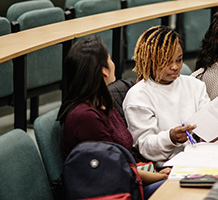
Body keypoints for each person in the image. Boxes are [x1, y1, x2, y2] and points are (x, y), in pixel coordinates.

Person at [56, 36, 170, 200]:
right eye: (109, 58)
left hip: (130, 178)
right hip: (114, 190)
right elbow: (116, 167)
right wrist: (160, 177)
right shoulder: (85, 117)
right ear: (104, 71)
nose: (113, 62)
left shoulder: (102, 102)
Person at [123, 25, 218, 168]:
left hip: (202, 157)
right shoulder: (138, 96)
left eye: (179, 60)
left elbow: (209, 127)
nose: (175, 67)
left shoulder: (194, 85)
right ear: (150, 60)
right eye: (167, 62)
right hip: (167, 168)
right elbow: (145, 147)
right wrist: (171, 137)